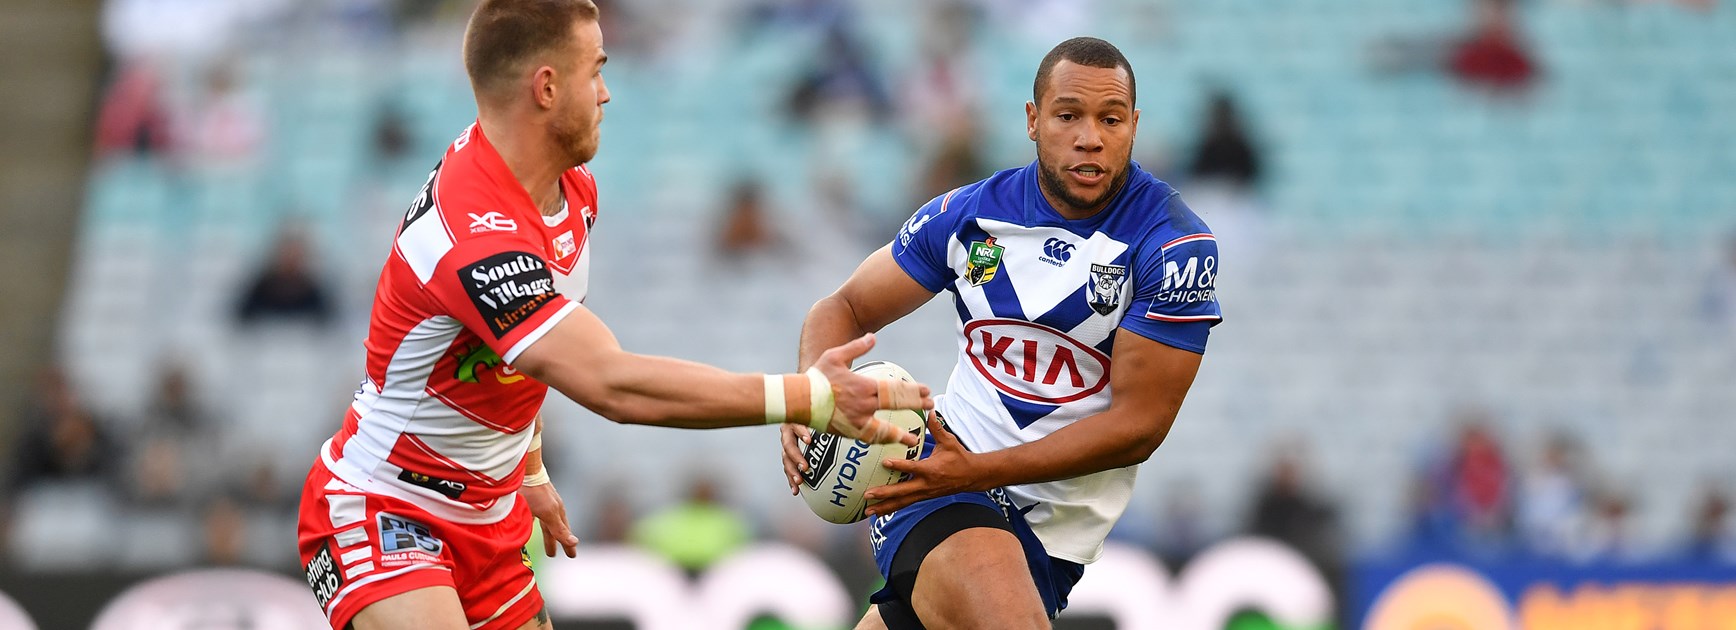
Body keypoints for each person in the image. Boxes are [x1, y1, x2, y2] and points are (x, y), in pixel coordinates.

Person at [294, 3, 930, 630]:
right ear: (547, 87)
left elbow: (516, 357)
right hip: (386, 506)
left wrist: (530, 466)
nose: (605, 93)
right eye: (594, 70)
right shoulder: (472, 235)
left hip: (488, 516)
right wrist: (810, 399)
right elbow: (610, 383)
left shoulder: (572, 191)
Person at [780, 37, 1222, 629]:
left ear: (1133, 125)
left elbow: (1138, 427)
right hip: (939, 478)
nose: (1090, 137)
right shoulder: (968, 215)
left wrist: (981, 472)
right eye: (1068, 116)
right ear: (1034, 121)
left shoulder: (1173, 245)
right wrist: (812, 395)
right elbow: (844, 306)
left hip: (1050, 538)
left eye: (1110, 119)